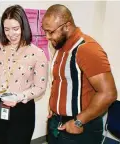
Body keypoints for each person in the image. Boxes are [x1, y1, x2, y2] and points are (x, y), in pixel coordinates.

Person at [42, 4, 117, 144]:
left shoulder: (87, 49)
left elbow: (109, 93)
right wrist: (54, 108)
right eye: (45, 31)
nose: (47, 37)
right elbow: (61, 82)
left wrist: (78, 121)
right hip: (57, 122)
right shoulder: (60, 46)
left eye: (51, 32)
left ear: (67, 26)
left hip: (80, 126)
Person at [0, 5, 48, 144]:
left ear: (24, 26)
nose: (11, 34)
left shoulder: (37, 53)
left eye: (15, 29)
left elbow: (40, 87)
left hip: (21, 110)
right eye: (6, 29)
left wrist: (18, 97)